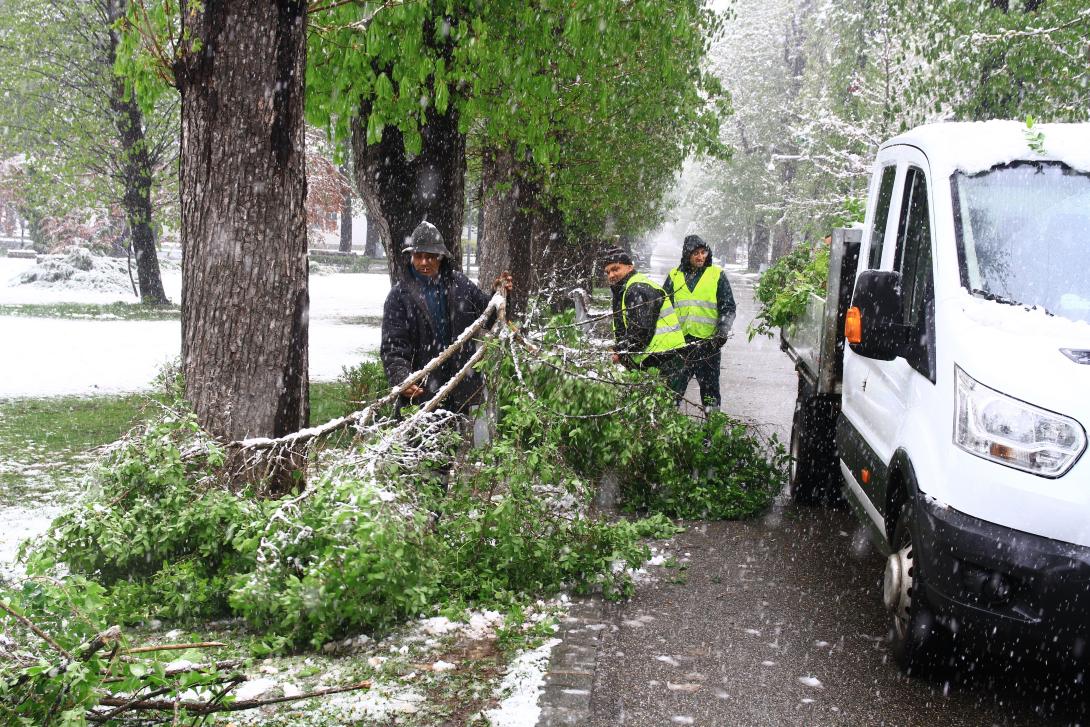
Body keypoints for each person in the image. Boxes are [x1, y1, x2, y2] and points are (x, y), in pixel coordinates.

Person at [380, 221, 510, 415]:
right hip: (421, 397)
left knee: (464, 445)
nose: (424, 262)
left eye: (430, 257)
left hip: (461, 393)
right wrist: (402, 378)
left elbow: (490, 319)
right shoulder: (399, 297)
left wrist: (501, 295)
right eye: (419, 256)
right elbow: (393, 348)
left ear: (441, 257)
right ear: (411, 257)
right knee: (420, 445)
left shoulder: (461, 285)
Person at [662, 234, 736, 413]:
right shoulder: (675, 276)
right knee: (672, 390)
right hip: (680, 346)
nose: (700, 257)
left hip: (708, 346)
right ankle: (666, 429)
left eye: (703, 252)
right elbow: (663, 308)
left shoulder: (716, 275)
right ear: (687, 254)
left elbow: (728, 307)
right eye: (696, 253)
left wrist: (722, 331)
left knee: (710, 392)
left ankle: (712, 431)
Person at [601, 245, 687, 396]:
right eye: (607, 272)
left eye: (615, 269)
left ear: (629, 267)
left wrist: (619, 351)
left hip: (664, 359)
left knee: (659, 410)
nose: (611, 275)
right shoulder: (627, 287)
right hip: (658, 358)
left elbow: (640, 331)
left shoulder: (637, 289)